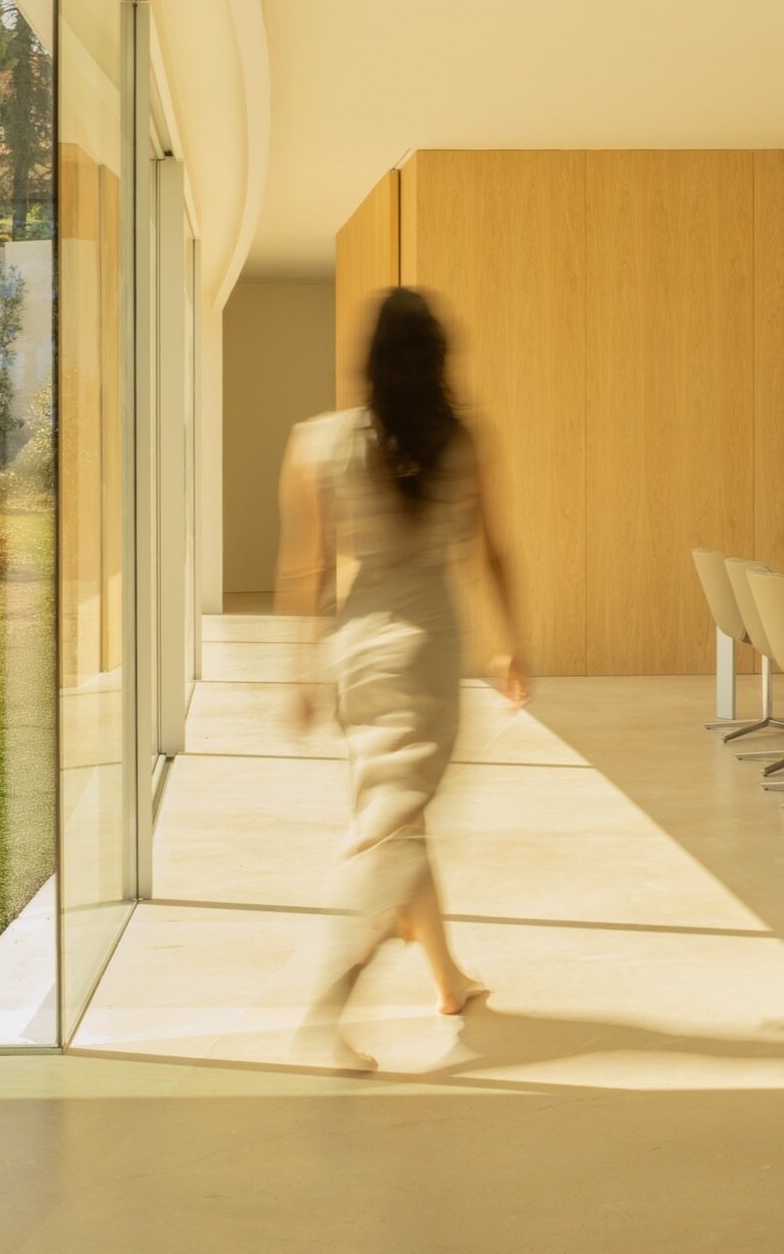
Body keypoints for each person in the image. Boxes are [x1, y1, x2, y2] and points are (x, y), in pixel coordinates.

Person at [275, 285, 527, 1071]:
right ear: (439, 358)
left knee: (398, 814)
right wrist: (510, 644)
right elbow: (489, 553)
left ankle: (446, 980)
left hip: (358, 648)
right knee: (391, 827)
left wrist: (302, 671)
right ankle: (328, 1005)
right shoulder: (463, 440)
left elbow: (305, 569)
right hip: (426, 648)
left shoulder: (317, 442)